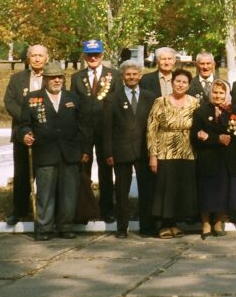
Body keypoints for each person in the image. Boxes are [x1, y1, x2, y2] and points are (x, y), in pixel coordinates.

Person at [17, 62, 91, 241]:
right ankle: (44, 228)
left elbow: (84, 126)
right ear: (45, 79)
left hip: (70, 152)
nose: (57, 80)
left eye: (60, 77)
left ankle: (66, 227)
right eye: (52, 77)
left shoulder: (73, 98)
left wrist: (85, 149)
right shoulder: (33, 99)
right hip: (45, 152)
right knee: (45, 192)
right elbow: (23, 124)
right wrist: (25, 135)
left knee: (69, 193)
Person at [102, 59, 157, 238]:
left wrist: (154, 152)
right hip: (121, 151)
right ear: (122, 77)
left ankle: (146, 226)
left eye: (135, 74)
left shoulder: (150, 97)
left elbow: (154, 126)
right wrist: (108, 152)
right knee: (121, 191)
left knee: (146, 190)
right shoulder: (112, 98)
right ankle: (121, 227)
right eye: (128, 74)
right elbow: (107, 128)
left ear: (140, 76)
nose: (132, 77)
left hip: (144, 151)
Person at [70, 39, 120, 223]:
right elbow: (73, 105)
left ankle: (107, 209)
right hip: (83, 131)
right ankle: (84, 209)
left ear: (102, 55)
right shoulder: (77, 77)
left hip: (105, 131)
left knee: (106, 171)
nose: (93, 58)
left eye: (96, 54)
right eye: (89, 54)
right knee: (83, 171)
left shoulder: (114, 75)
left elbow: (116, 105)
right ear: (84, 56)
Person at [147, 69, 201, 238]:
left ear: (189, 85)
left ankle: (175, 223)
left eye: (184, 82)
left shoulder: (194, 102)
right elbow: (151, 129)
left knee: (181, 188)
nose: (181, 84)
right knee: (166, 188)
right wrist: (152, 155)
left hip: (187, 151)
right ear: (172, 82)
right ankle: (164, 224)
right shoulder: (160, 101)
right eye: (178, 81)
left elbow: (199, 125)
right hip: (165, 150)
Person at [3, 44, 50, 225]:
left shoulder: (53, 77)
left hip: (46, 134)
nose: (37, 59)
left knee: (45, 173)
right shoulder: (17, 79)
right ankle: (20, 210)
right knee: (22, 174)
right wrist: (27, 120)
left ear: (46, 58)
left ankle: (45, 212)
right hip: (22, 133)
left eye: (40, 55)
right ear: (28, 58)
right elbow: (10, 102)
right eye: (33, 55)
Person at [191, 79, 236, 239]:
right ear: (210, 93)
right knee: (206, 192)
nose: (218, 96)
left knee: (223, 192)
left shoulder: (233, 112)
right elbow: (195, 136)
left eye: (221, 93)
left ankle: (218, 222)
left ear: (226, 94)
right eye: (215, 92)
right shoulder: (201, 111)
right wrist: (215, 139)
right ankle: (205, 223)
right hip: (208, 158)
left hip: (227, 159)